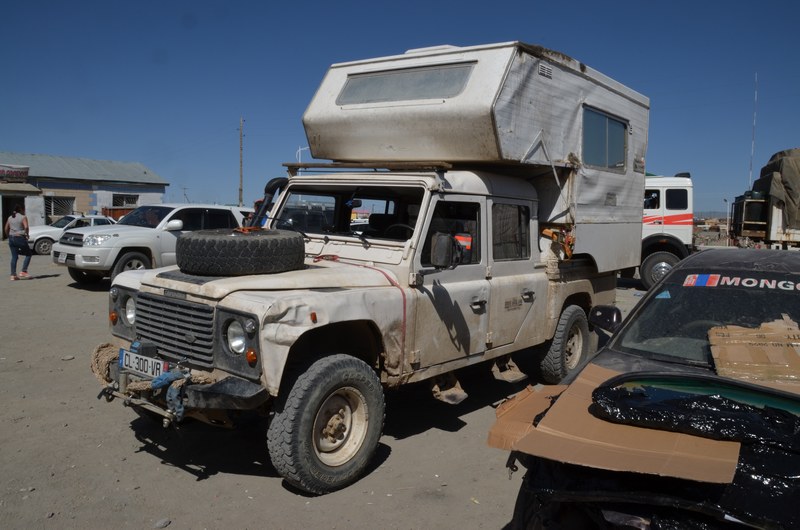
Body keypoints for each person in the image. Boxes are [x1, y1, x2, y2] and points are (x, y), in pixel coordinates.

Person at [5, 204, 32, 280]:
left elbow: (6, 228)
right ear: (21, 209)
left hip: (11, 238)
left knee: (14, 256)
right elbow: (26, 227)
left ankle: (13, 275)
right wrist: (26, 234)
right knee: (29, 254)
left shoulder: (10, 217)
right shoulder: (23, 217)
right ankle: (24, 271)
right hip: (19, 238)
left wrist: (8, 236)